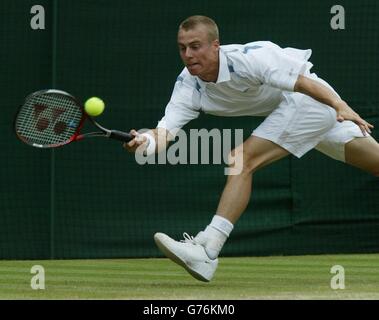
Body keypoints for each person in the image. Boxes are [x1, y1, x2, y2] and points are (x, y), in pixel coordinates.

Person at [124, 15, 379, 282]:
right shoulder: (188, 85)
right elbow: (165, 133)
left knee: (241, 160)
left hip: (312, 102)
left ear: (215, 46)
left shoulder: (250, 58)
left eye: (195, 46)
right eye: (182, 47)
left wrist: (338, 105)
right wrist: (146, 142)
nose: (188, 54)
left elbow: (304, 83)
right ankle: (207, 249)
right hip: (301, 112)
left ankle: (208, 249)